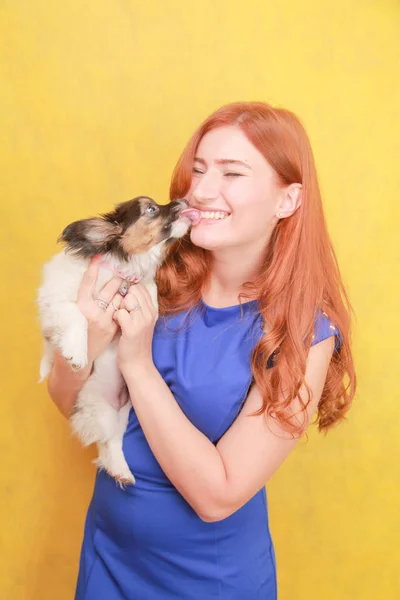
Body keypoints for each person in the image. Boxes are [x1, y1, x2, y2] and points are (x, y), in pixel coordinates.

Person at [48, 101, 356, 599]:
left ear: (288, 200)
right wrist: (91, 335)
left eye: (232, 173)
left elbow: (218, 495)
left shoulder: (304, 332)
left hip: (208, 584)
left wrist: (137, 364)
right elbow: (68, 401)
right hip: (106, 563)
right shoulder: (153, 273)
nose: (201, 191)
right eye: (198, 169)